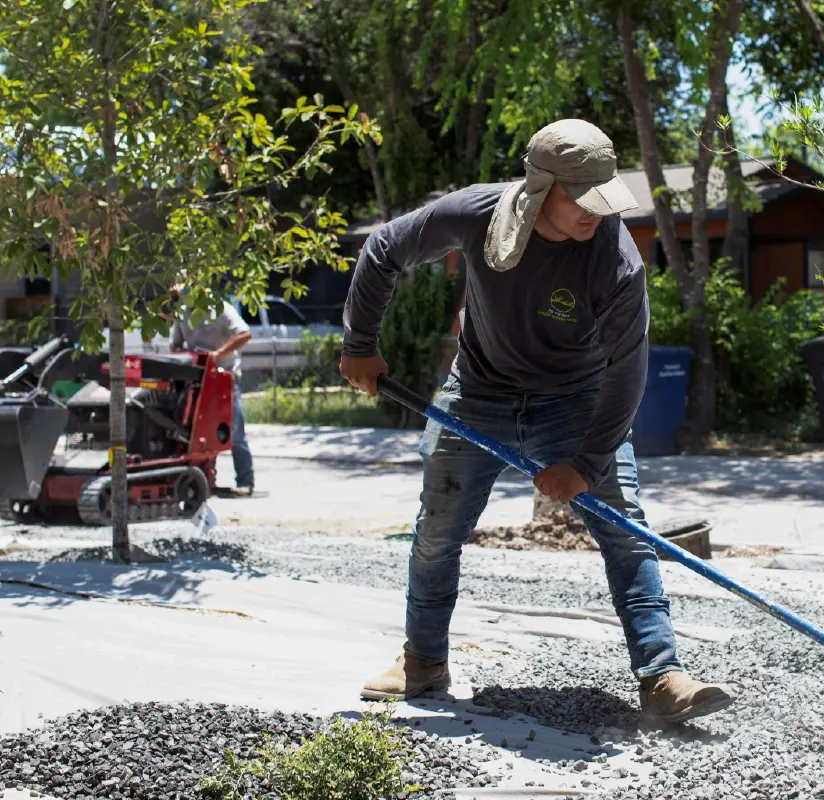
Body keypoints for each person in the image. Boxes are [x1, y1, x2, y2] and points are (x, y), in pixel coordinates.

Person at [339, 119, 736, 726]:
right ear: (540, 186)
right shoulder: (476, 214)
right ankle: (423, 660)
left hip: (577, 400)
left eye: (604, 196)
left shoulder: (615, 259)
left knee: (626, 532)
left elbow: (628, 373)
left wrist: (587, 465)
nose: (596, 212)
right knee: (437, 532)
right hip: (477, 394)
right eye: (581, 197)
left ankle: (663, 678)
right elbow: (383, 248)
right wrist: (360, 343)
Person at [167, 286, 256, 497]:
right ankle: (206, 481)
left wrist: (216, 355)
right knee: (198, 433)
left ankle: (245, 481)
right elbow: (175, 345)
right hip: (196, 381)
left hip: (223, 379)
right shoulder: (182, 313)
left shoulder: (221, 308)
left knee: (234, 431)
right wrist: (189, 356)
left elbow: (244, 334)